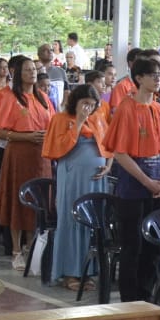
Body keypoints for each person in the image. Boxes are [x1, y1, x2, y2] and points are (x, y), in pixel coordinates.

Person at [104, 55, 160, 302]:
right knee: (132, 245)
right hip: (133, 189)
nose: (158, 79)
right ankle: (130, 300)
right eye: (153, 75)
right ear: (139, 78)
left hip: (159, 187)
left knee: (154, 246)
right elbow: (120, 153)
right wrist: (147, 182)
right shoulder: (126, 108)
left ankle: (147, 297)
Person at [42, 84, 111, 291]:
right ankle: (69, 272)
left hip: (96, 178)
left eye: (92, 104)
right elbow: (57, 149)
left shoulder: (98, 119)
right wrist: (79, 122)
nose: (88, 108)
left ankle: (89, 271)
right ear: (75, 102)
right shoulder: (60, 119)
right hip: (73, 176)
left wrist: (108, 165)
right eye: (84, 103)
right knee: (72, 220)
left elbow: (109, 145)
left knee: (93, 222)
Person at [0, 55, 53, 272]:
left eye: (34, 69)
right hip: (19, 155)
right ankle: (16, 250)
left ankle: (32, 248)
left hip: (42, 158)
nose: (32, 72)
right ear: (18, 74)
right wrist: (27, 137)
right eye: (27, 69)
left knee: (38, 203)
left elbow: (53, 124)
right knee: (18, 202)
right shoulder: (9, 97)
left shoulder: (43, 97)